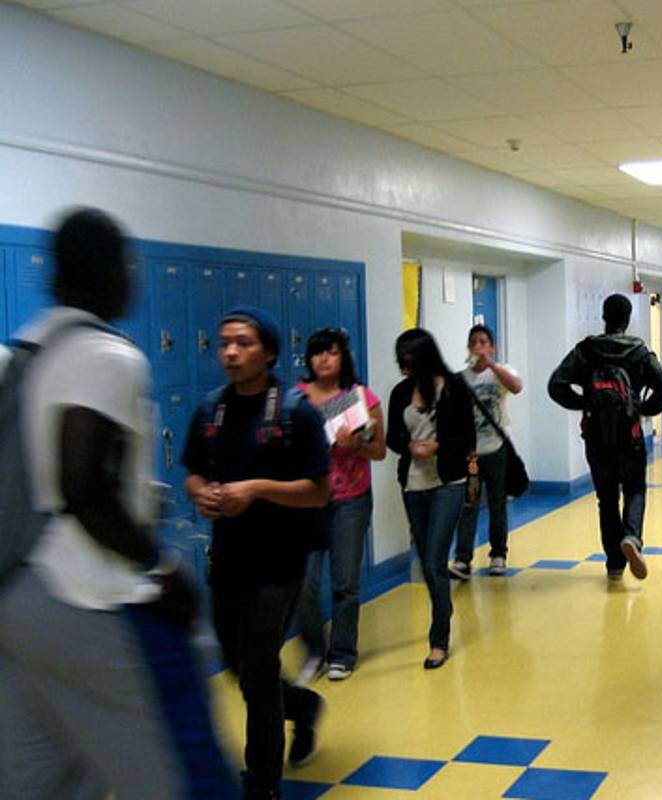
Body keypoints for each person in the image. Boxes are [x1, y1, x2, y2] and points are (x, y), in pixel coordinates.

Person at [0, 208, 237, 799]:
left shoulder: (26, 350)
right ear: (116, 271)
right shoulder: (107, 357)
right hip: (88, 594)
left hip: (14, 598)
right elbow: (82, 486)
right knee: (188, 774)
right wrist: (161, 567)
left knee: (42, 778)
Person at [183, 306, 331, 799]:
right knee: (238, 665)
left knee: (259, 669)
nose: (230, 351)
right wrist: (200, 492)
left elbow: (318, 491)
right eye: (224, 342)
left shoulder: (296, 412)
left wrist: (257, 489)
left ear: (268, 352)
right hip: (228, 559)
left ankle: (261, 783)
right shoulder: (210, 410)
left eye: (243, 343)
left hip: (281, 561)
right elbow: (193, 471)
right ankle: (303, 707)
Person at [548, 294, 662, 582]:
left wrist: (585, 403)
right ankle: (631, 537)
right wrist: (640, 410)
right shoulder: (639, 353)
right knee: (634, 490)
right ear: (627, 320)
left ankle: (614, 565)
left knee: (606, 499)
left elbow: (556, 386)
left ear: (603, 317)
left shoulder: (586, 351)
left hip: (596, 438)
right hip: (629, 436)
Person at [295, 328, 385, 684]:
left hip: (351, 499)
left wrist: (353, 446)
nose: (324, 360)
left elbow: (379, 450)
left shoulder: (361, 397)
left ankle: (342, 653)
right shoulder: (296, 398)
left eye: (331, 353)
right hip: (306, 500)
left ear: (343, 357)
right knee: (303, 581)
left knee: (345, 582)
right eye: (317, 353)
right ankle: (314, 651)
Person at [386, 328, 475, 669]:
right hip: (413, 484)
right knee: (426, 563)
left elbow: (467, 437)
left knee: (436, 561)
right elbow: (394, 436)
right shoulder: (401, 392)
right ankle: (444, 605)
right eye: (401, 361)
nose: (404, 367)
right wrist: (409, 446)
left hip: (448, 481)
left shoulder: (453, 388)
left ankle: (439, 639)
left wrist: (439, 446)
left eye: (410, 360)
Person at [451, 324, 524, 580]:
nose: (479, 347)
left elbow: (516, 387)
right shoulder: (461, 379)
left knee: (497, 503)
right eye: (474, 342)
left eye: (484, 342)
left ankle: (498, 554)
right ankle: (462, 560)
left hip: (497, 450)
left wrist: (491, 365)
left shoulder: (502, 372)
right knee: (469, 504)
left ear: (492, 346)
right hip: (472, 456)